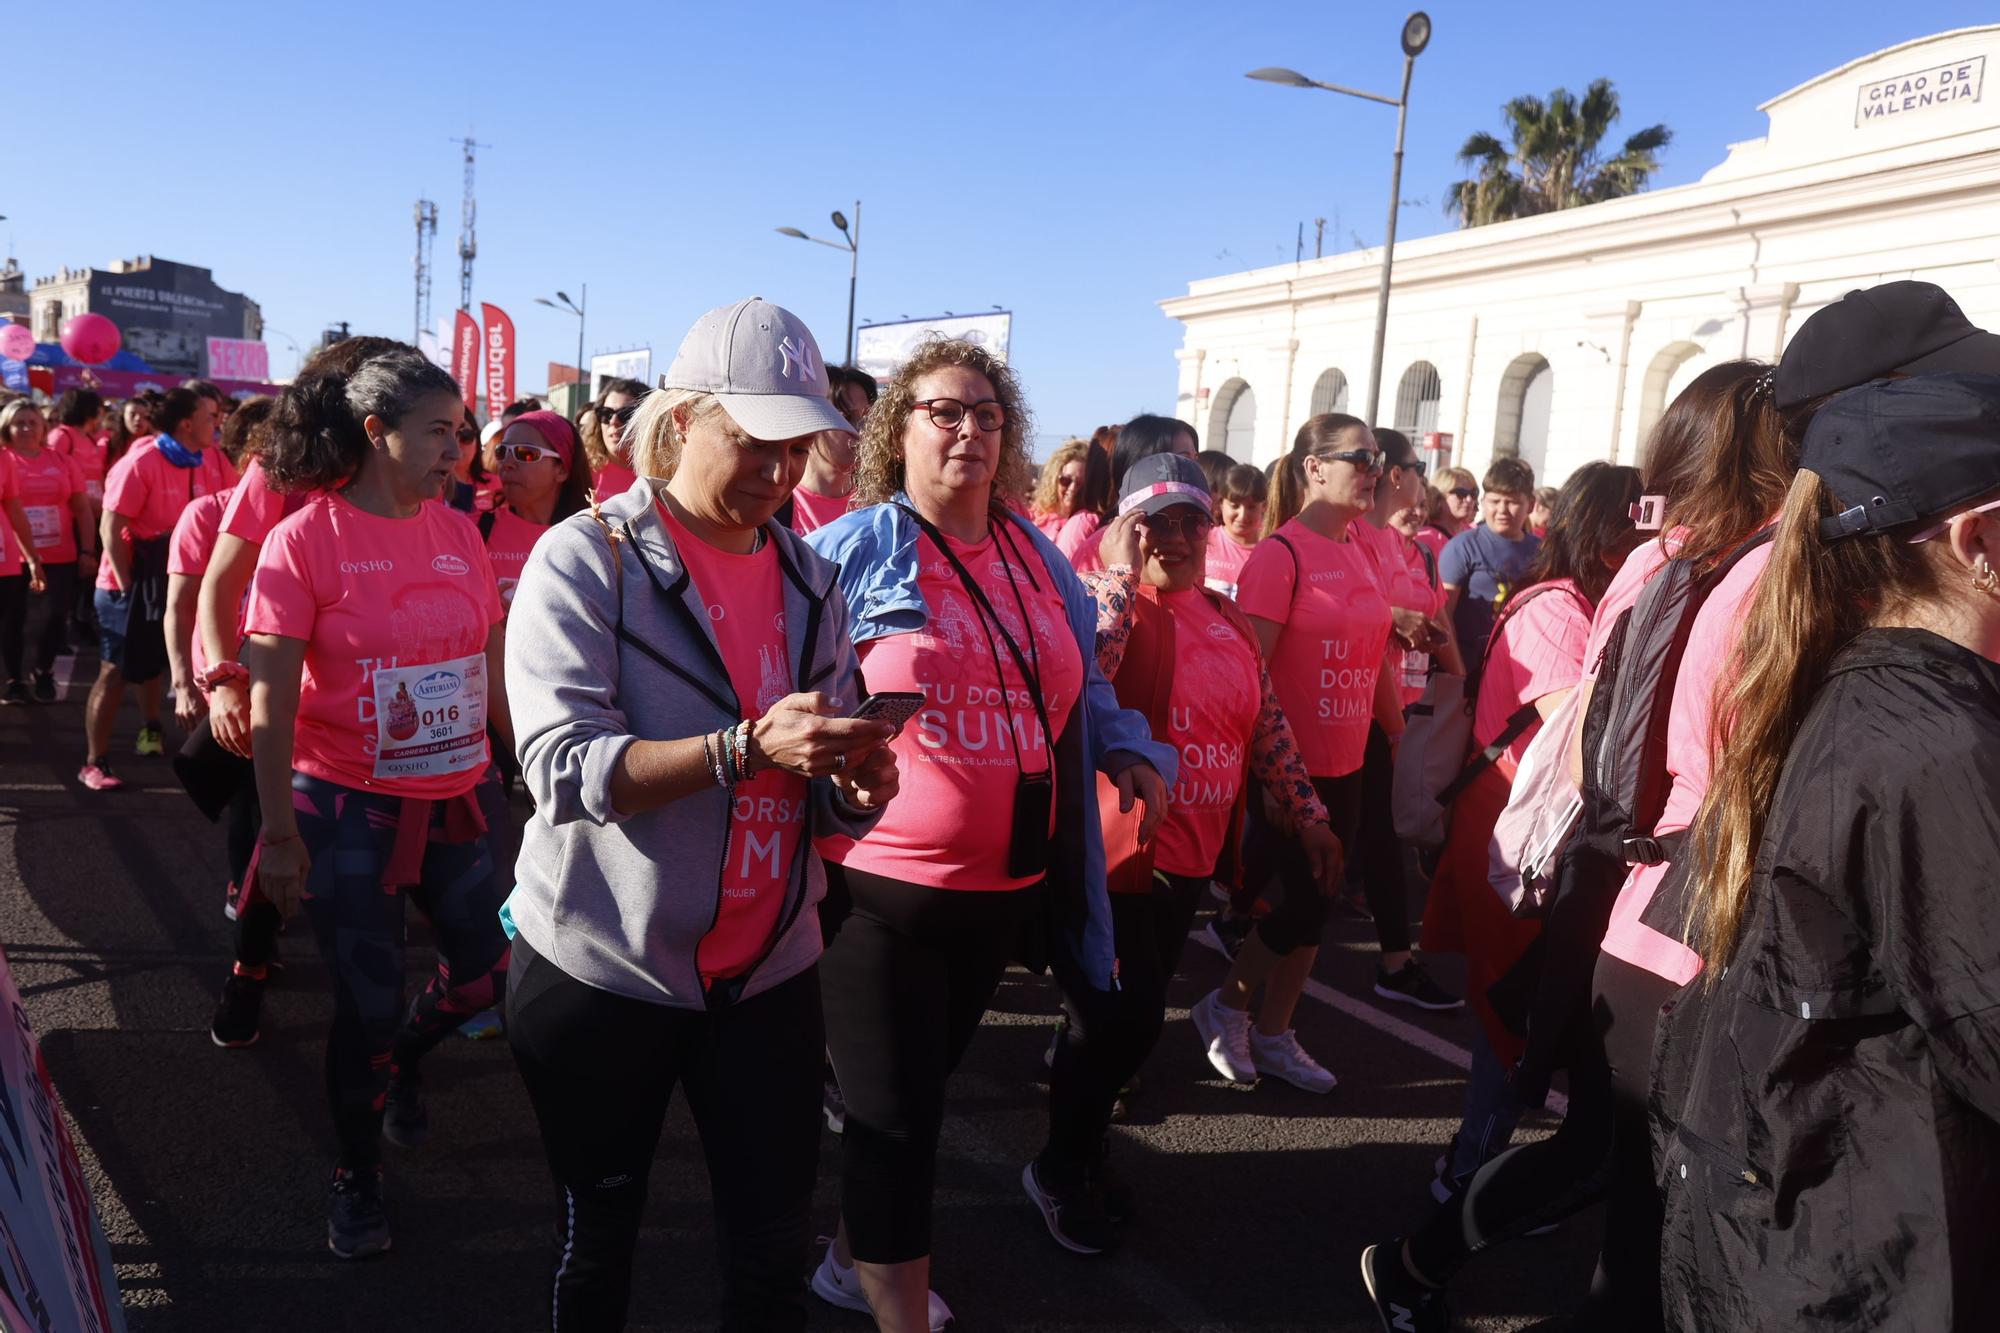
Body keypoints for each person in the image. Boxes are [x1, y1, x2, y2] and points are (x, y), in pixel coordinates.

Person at [503, 298, 897, 1330]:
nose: (776, 469)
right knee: (599, 1243)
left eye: (795, 444)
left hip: (766, 968)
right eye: (752, 439)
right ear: (682, 421)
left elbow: (813, 759)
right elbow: (559, 766)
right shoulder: (586, 558)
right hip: (604, 964)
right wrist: (742, 747)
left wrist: (850, 780)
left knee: (770, 1255)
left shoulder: (812, 579)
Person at [806, 335, 1171, 1328]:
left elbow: (1082, 683)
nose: (968, 430)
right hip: (874, 886)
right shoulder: (853, 548)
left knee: (918, 1095)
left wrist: (1124, 746)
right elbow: (785, 687)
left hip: (1002, 887)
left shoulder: (1032, 554)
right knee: (896, 1122)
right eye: (942, 411)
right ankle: (894, 1305)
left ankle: (849, 1261)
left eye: (986, 414)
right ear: (900, 431)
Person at [1657, 372, 2000, 1331]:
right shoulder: (1933, 741)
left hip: (1811, 1237)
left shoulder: (1874, 692)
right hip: (1865, 1255)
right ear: (1977, 542)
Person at [241, 348, 513, 1260]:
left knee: (490, 972)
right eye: (439, 431)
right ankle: (357, 1172)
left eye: (460, 430)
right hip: (344, 806)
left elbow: (489, 660)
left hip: (456, 798)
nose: (458, 449)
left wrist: (527, 759)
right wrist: (279, 835)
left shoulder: (460, 530)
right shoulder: (304, 538)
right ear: (375, 432)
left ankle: (401, 1058)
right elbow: (272, 699)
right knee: (360, 1005)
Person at [1048, 454, 1336, 1251]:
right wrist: (1114, 574)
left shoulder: (1228, 614)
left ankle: (1077, 1150)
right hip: (1120, 857)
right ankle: (1058, 1165)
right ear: (1129, 530)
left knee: (1129, 1027)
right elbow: (1080, 683)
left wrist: (1309, 812)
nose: (1176, 537)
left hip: (1190, 859)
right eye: (1156, 522)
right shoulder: (1110, 606)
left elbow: (1269, 724)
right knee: (1121, 1021)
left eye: (1190, 520)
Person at [1417, 462, 1641, 1202]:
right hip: (1514, 847)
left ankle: (1492, 1172)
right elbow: (1585, 738)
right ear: (1604, 535)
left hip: (1538, 842)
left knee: (1533, 1015)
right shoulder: (1556, 609)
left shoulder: (1578, 602)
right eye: (1633, 527)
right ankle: (1466, 1176)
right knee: (1508, 1019)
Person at [1190, 414, 1412, 1092]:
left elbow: (1373, 645)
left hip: (1354, 757)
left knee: (1316, 906)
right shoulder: (1278, 556)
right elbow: (1246, 671)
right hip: (1291, 767)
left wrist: (1391, 725)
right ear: (1314, 466)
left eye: (1377, 458)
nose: (1373, 470)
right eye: (1359, 457)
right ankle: (1225, 1003)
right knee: (1305, 904)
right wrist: (1270, 775)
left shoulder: (1365, 548)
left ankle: (1277, 1030)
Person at [199, 336, 415, 763]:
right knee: (264, 815)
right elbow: (221, 584)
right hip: (281, 701)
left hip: (376, 711)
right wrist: (223, 682)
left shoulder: (410, 474)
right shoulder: (281, 468)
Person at [1347, 427, 1463, 1010]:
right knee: (1336, 842)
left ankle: (1395, 960)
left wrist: (1458, 687)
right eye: (1417, 467)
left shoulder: (1407, 547)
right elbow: (1353, 620)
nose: (1422, 477)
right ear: (1396, 473)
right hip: (1346, 707)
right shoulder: (1354, 537)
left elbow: (1433, 619)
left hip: (1379, 703)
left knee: (1374, 837)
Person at [83, 386, 236, 789]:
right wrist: (126, 583)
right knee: (115, 670)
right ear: (188, 423)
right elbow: (110, 526)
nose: (217, 423)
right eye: (211, 417)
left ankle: (151, 727)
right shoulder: (143, 460)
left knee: (164, 659)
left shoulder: (214, 458)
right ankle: (94, 761)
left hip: (178, 576)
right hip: (130, 580)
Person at [2, 399, 89, 702]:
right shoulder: (4, 459)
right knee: (15, 618)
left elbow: (81, 507)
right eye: (19, 423)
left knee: (56, 615)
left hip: (58, 552)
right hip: (12, 556)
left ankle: (43, 669)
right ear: (7, 427)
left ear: (43, 428)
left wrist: (88, 549)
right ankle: (14, 678)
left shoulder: (62, 462)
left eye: (32, 422)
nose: (26, 428)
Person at [480, 408, 591, 609]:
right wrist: (484, 614)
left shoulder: (591, 540)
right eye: (502, 452)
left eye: (526, 453)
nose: (507, 464)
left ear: (562, 469)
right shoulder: (474, 530)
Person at [1062, 415, 1202, 572]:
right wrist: (1121, 576)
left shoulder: (1198, 533)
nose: (1194, 468)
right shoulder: (1106, 543)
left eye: (1195, 458)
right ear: (1142, 463)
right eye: (1182, 459)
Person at [1438, 457, 1539, 658]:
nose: (1502, 510)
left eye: (1512, 502)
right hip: (1472, 667)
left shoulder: (1542, 552)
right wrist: (1458, 671)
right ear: (1483, 502)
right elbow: (1443, 616)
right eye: (1495, 501)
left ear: (1530, 505)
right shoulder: (1462, 547)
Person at [789, 366, 870, 534]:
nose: (860, 431)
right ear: (812, 419)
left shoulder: (877, 507)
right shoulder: (773, 504)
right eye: (846, 417)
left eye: (867, 419)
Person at [1204, 462, 1268, 600]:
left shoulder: (1271, 551)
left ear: (1264, 507)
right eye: (1234, 506)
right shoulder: (1204, 541)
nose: (1242, 515)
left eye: (1251, 507)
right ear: (1221, 503)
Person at [589, 376, 649, 502]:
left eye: (626, 414)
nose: (613, 421)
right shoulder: (581, 471)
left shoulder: (660, 479)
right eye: (606, 413)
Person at [1029, 439, 1089, 538]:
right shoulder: (1032, 518)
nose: (1072, 488)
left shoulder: (1086, 525)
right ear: (1053, 479)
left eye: (1080, 483)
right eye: (1065, 480)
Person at [1418, 465, 1478, 560]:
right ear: (1439, 497)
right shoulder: (1425, 537)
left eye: (1474, 493)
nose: (1469, 499)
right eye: (1461, 493)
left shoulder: (1474, 534)